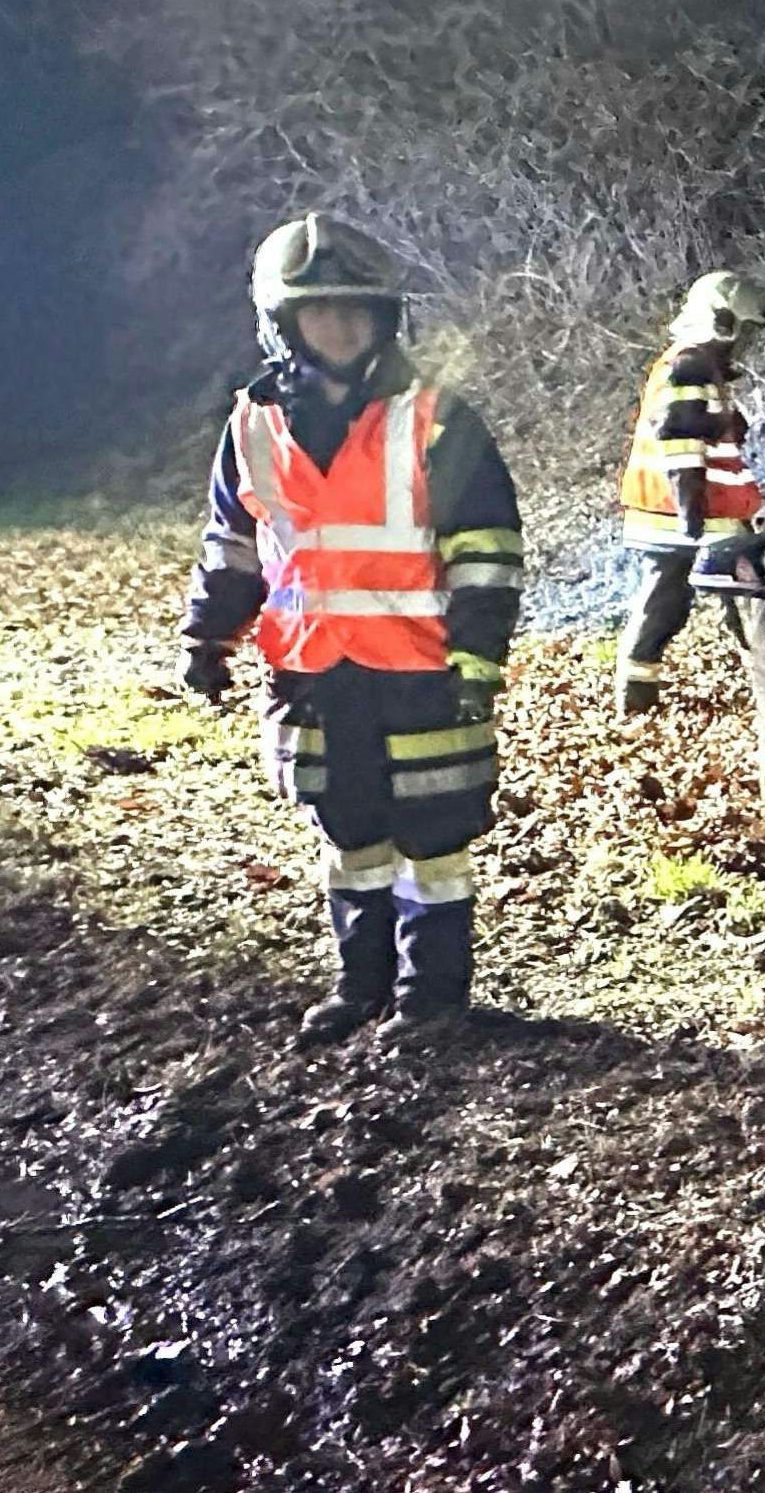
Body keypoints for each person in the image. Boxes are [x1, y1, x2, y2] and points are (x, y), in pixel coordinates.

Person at [179, 213, 525, 1049]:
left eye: (356, 310)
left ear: (385, 316)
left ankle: (432, 998)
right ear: (283, 323)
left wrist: (478, 656)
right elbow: (233, 546)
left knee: (433, 843)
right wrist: (206, 637)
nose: (339, 325)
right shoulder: (251, 425)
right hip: (313, 675)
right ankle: (360, 987)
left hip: (424, 670)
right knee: (350, 834)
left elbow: (486, 549)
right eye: (318, 311)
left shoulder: (438, 418)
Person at [614, 269, 765, 714]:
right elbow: (681, 441)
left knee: (689, 596)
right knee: (736, 593)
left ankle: (639, 686)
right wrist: (691, 515)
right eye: (745, 332)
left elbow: (696, 430)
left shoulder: (695, 365)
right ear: (722, 322)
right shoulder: (691, 365)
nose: (746, 344)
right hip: (686, 513)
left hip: (690, 511)